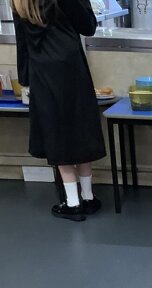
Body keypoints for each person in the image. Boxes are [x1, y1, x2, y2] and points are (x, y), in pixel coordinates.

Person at [13, 0, 106, 221]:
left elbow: (22, 42)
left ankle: (72, 201)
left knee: (56, 133)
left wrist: (25, 80)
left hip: (42, 71)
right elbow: (88, 27)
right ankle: (88, 197)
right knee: (81, 128)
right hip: (72, 68)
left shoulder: (19, 1)